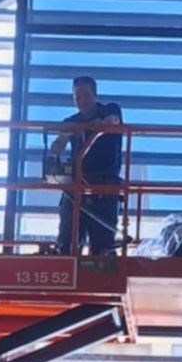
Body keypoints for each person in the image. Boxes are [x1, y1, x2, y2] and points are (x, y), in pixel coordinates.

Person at [48, 75, 124, 258]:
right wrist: (59, 142)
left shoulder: (109, 110)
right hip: (76, 185)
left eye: (85, 95)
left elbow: (114, 120)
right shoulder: (71, 121)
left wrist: (102, 125)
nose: (81, 101)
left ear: (95, 95)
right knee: (68, 238)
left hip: (104, 185)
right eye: (77, 97)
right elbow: (60, 142)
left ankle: (102, 273)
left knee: (103, 245)